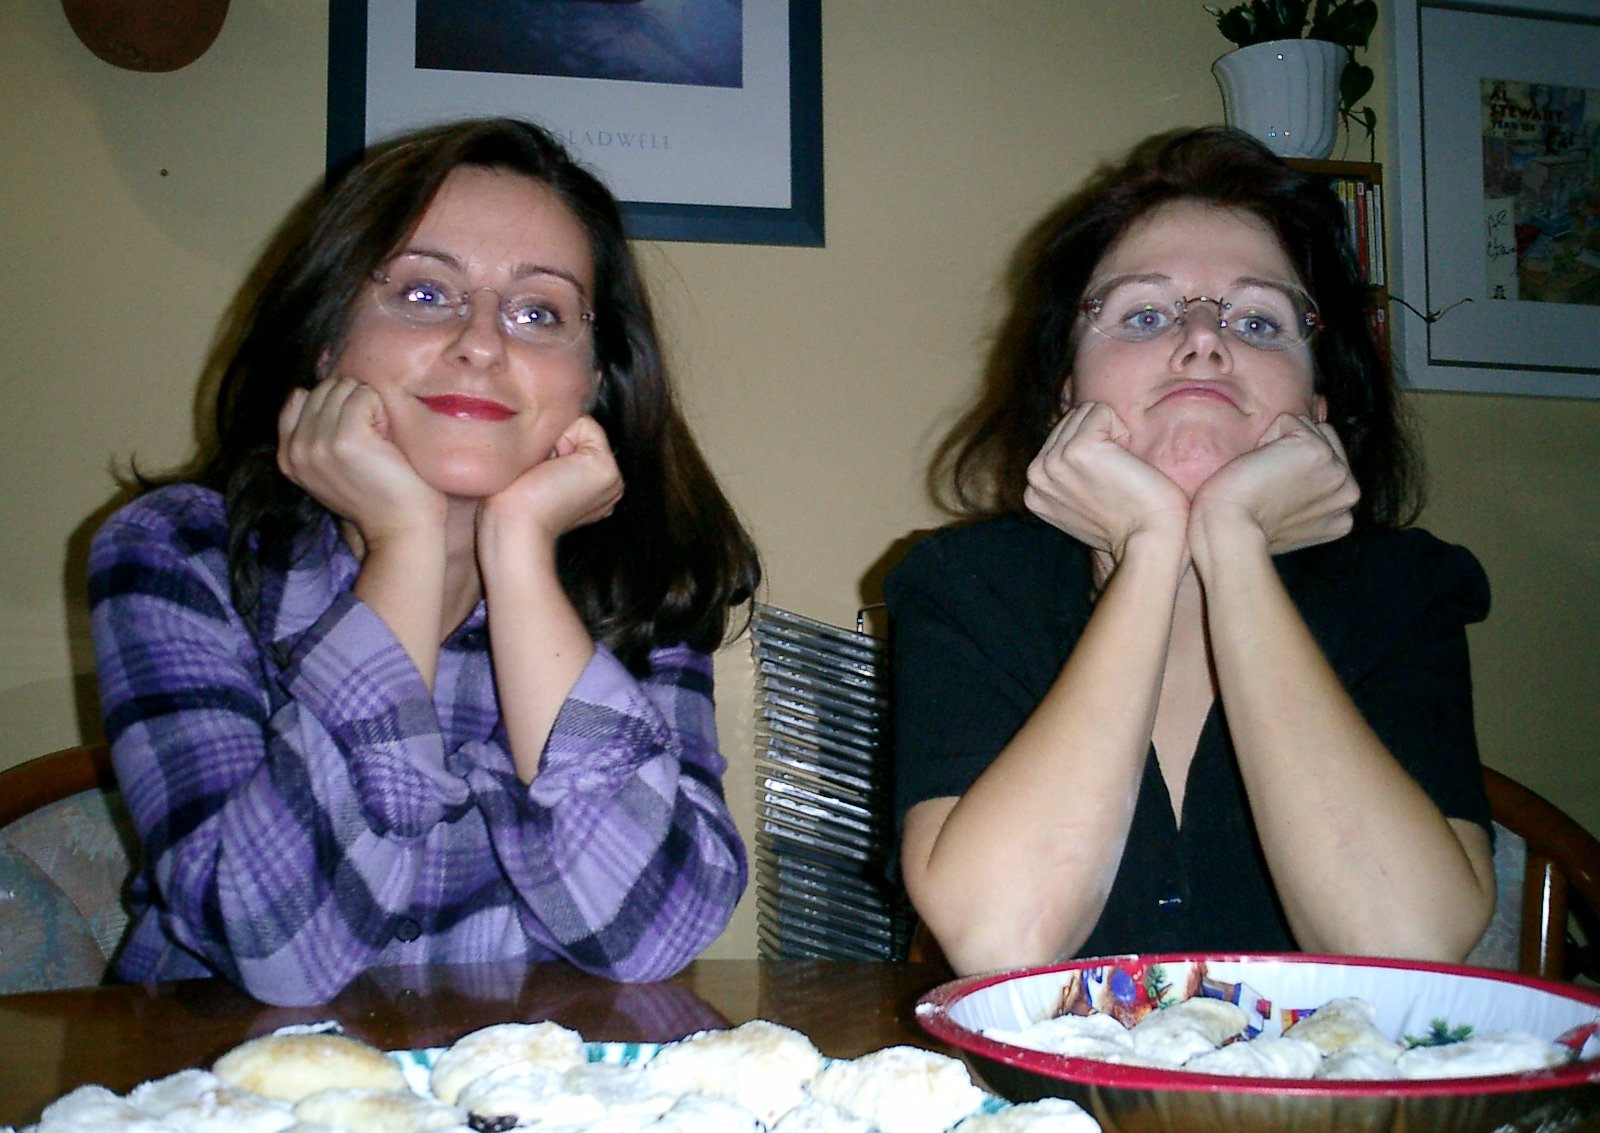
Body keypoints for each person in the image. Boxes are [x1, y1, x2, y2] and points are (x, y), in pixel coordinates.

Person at [89, 118, 761, 1005]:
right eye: (423, 293)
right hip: (222, 1075)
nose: (482, 342)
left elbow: (651, 937)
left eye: (539, 313)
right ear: (327, 341)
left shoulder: (644, 581)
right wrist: (406, 546)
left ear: (594, 381)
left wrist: (520, 556)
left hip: (524, 1082)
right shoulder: (180, 553)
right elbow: (275, 952)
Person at [886, 127, 1495, 976]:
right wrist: (1150, 546)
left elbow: (1404, 948)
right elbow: (1003, 939)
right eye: (1144, 315)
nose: (1205, 341)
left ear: (1317, 408)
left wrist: (1234, 543)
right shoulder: (968, 585)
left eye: (1258, 321)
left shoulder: (1403, 589)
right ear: (1067, 394)